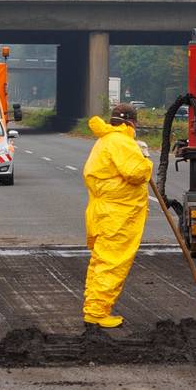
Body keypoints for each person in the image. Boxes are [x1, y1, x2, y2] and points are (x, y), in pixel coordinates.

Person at [82, 103, 154, 328]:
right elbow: (136, 172)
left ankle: (94, 308)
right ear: (132, 122)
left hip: (105, 212)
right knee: (111, 263)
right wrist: (145, 160)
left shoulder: (105, 139)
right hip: (118, 215)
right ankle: (96, 312)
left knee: (101, 262)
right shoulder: (121, 142)